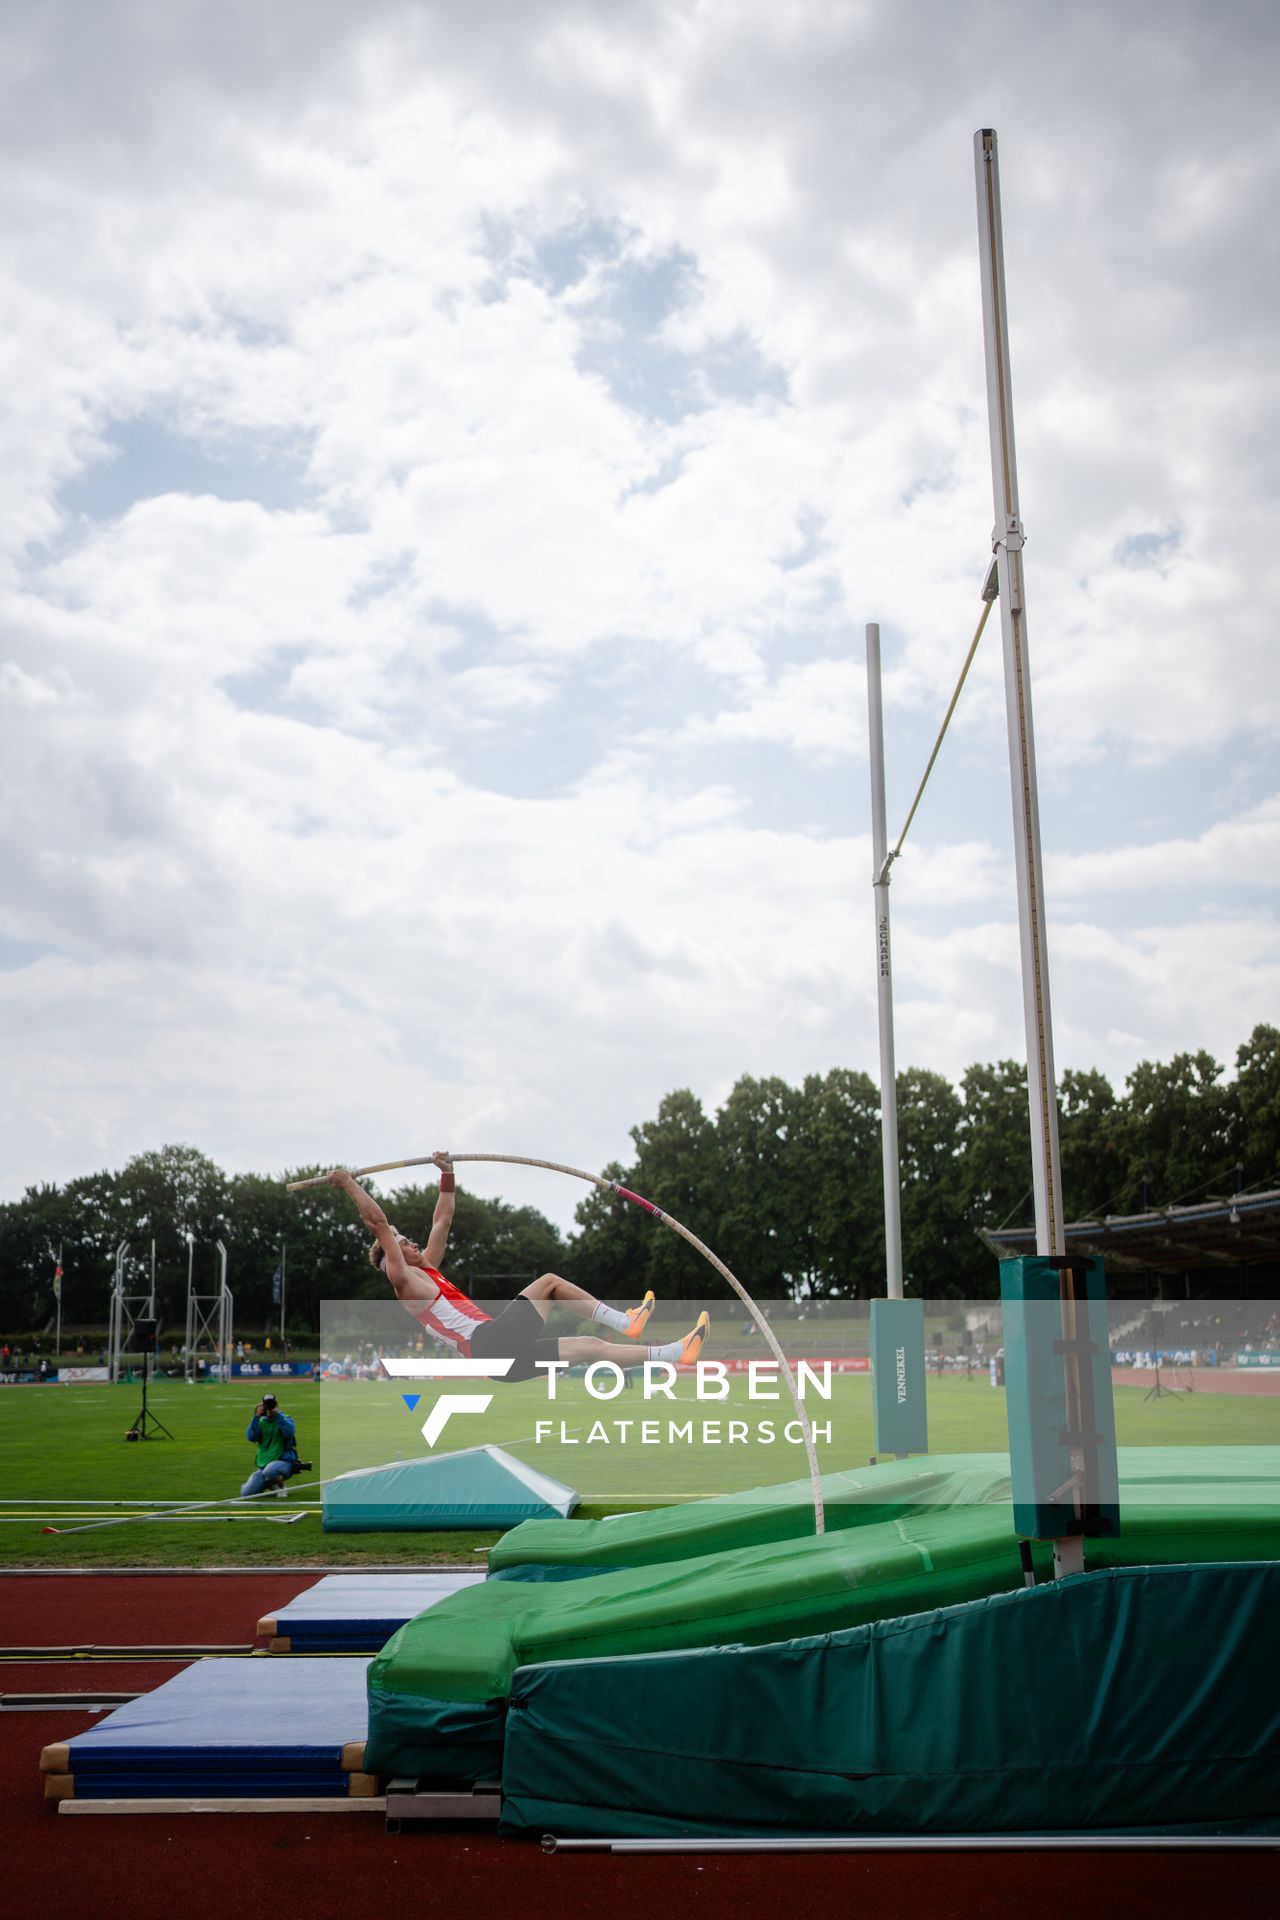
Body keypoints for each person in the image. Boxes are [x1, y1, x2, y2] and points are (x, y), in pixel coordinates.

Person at [327, 1157, 709, 1381]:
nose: (409, 1242)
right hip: (489, 1342)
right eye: (401, 1242)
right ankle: (629, 1323)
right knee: (549, 1283)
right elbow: (379, 1225)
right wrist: (348, 1185)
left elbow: (442, 1219)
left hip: (498, 1362)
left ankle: (677, 1353)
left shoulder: (427, 1270)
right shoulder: (406, 1284)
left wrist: (447, 1172)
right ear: (392, 1258)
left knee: (592, 1348)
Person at [240, 1393, 312, 1499]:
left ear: (276, 1405)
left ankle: (281, 1487)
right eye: (266, 1405)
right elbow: (251, 1437)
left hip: (284, 1462)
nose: (269, 1408)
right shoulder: (259, 1421)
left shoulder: (285, 1418)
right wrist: (255, 1417)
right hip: (264, 1465)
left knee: (270, 1471)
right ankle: (271, 1484)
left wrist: (277, 1416)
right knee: (246, 1493)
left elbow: (289, 1432)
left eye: (271, 1404)